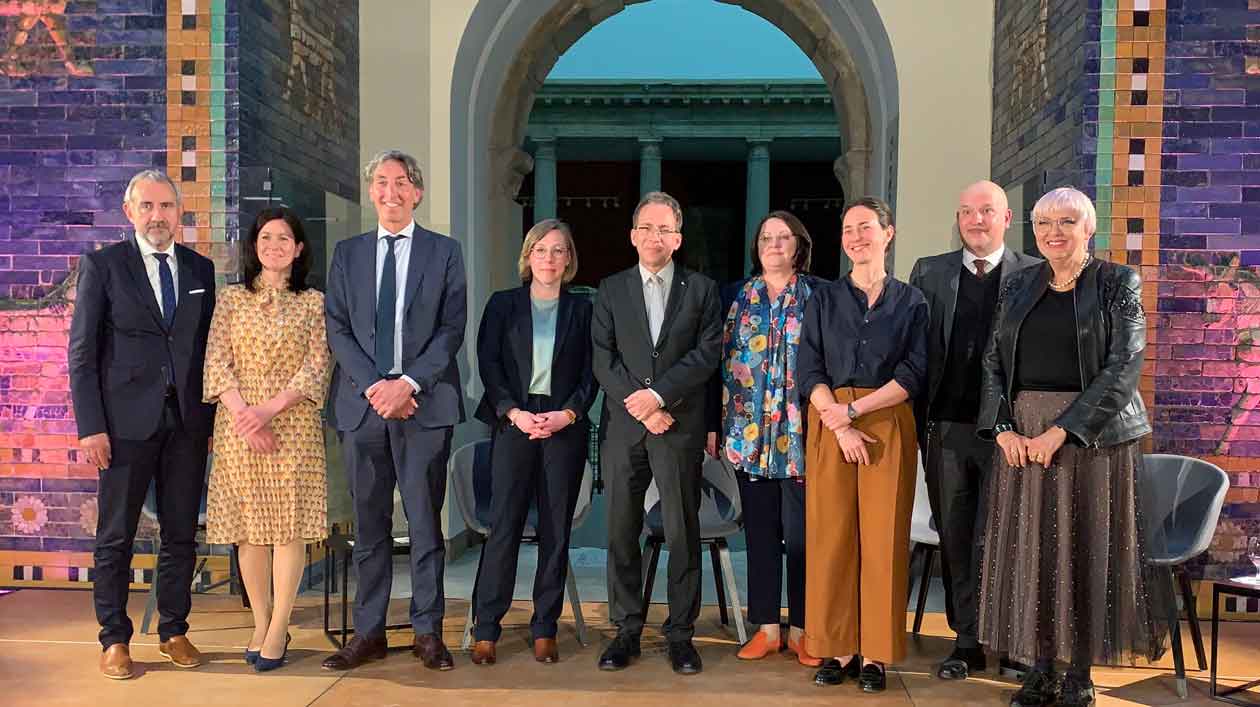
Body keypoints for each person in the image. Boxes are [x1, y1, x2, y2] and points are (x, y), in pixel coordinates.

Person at [976, 186, 1170, 707]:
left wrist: (1061, 430)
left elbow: (1123, 368)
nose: (1053, 232)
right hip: (1022, 437)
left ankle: (1079, 672)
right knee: (1032, 553)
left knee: (1084, 551)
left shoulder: (1116, 282)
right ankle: (1038, 668)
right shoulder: (1017, 284)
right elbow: (993, 363)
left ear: (1088, 229)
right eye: (1043, 223)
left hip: (1093, 439)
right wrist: (1003, 431)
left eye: (1066, 222)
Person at [321, 150, 466, 672]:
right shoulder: (348, 254)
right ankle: (369, 632)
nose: (391, 192)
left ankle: (428, 632)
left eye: (401, 183)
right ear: (371, 192)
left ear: (417, 192)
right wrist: (375, 388)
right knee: (370, 527)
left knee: (426, 525)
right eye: (381, 183)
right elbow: (337, 326)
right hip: (362, 411)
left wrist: (405, 384)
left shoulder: (445, 253)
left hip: (424, 408)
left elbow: (451, 329)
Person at [68, 169, 216, 680]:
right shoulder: (103, 266)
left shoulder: (201, 270)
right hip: (123, 426)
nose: (158, 216)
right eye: (148, 207)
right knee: (116, 536)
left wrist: (213, 416)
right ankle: (113, 637)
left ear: (180, 213)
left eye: (167, 207)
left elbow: (206, 352)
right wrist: (91, 427)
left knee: (180, 533)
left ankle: (174, 629)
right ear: (130, 212)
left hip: (188, 426)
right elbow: (82, 354)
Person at [907, 181, 1040, 680]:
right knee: (957, 537)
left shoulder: (1033, 273)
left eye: (986, 211)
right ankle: (966, 641)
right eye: (966, 212)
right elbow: (915, 347)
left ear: (1007, 219)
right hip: (946, 427)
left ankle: (1011, 640)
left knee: (1008, 538)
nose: (976, 220)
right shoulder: (929, 271)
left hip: (1009, 431)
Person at [798, 196, 928, 693]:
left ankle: (875, 653)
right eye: (849, 229)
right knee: (831, 537)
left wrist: (855, 414)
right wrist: (838, 420)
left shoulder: (911, 301)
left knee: (882, 541)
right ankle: (837, 647)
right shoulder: (824, 299)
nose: (856, 236)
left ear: (887, 234)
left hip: (887, 422)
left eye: (866, 227)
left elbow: (914, 372)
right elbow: (808, 367)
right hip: (829, 420)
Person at [592, 191, 722, 675]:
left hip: (678, 424)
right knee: (622, 529)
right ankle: (626, 630)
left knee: (682, 530)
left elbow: (706, 354)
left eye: (665, 229)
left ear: (679, 238)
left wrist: (661, 397)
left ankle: (681, 635)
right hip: (628, 426)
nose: (655, 236)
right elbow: (603, 360)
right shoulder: (610, 289)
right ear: (632, 235)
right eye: (647, 227)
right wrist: (643, 406)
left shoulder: (702, 290)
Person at [202, 207, 331, 672]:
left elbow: (317, 366)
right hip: (238, 426)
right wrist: (243, 413)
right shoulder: (231, 298)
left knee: (287, 527)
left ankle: (280, 625)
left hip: (292, 424)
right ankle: (261, 620)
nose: (273, 245)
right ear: (254, 246)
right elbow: (216, 360)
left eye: (283, 238)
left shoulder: (314, 302)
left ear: (298, 248)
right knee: (248, 529)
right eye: (265, 237)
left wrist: (268, 411)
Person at [469, 219, 597, 665]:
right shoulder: (503, 305)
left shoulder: (584, 310)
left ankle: (545, 626)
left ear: (569, 259)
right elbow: (488, 363)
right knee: (503, 527)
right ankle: (486, 628)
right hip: (513, 422)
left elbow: (591, 372)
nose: (549, 259)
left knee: (555, 531)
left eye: (559, 251)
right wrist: (514, 412)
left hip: (564, 425)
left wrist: (568, 413)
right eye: (541, 250)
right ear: (528, 256)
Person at [705, 210, 824, 666]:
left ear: (798, 246)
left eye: (783, 237)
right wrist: (714, 424)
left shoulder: (820, 296)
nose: (774, 245)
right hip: (748, 435)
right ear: (757, 247)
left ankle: (803, 629)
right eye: (766, 238)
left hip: (801, 437)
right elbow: (715, 363)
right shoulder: (734, 295)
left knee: (800, 537)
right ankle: (766, 628)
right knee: (759, 534)